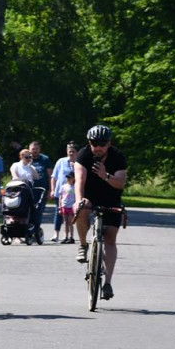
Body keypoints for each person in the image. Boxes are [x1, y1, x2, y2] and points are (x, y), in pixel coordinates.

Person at [74, 125, 128, 300]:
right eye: (94, 143)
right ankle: (83, 245)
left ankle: (107, 283)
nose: (98, 147)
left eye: (102, 144)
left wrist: (105, 175)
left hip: (111, 198)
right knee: (82, 208)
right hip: (90, 195)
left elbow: (120, 183)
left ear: (109, 143)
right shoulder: (83, 155)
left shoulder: (118, 157)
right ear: (89, 143)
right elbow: (79, 181)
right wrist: (79, 199)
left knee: (110, 239)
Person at [49, 142, 78, 241]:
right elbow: (54, 176)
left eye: (73, 152)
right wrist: (52, 189)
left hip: (74, 194)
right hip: (61, 192)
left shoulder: (79, 163)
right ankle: (56, 234)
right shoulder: (61, 161)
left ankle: (71, 235)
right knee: (59, 213)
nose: (71, 153)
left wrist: (75, 166)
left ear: (77, 153)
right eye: (69, 151)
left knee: (73, 215)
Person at [58, 171, 77, 243]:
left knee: (70, 222)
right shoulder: (63, 186)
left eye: (70, 177)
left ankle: (71, 237)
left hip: (71, 206)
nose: (68, 179)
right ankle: (65, 236)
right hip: (64, 205)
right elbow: (60, 197)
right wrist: (60, 207)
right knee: (65, 222)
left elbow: (76, 197)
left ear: (73, 178)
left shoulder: (75, 187)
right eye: (67, 177)